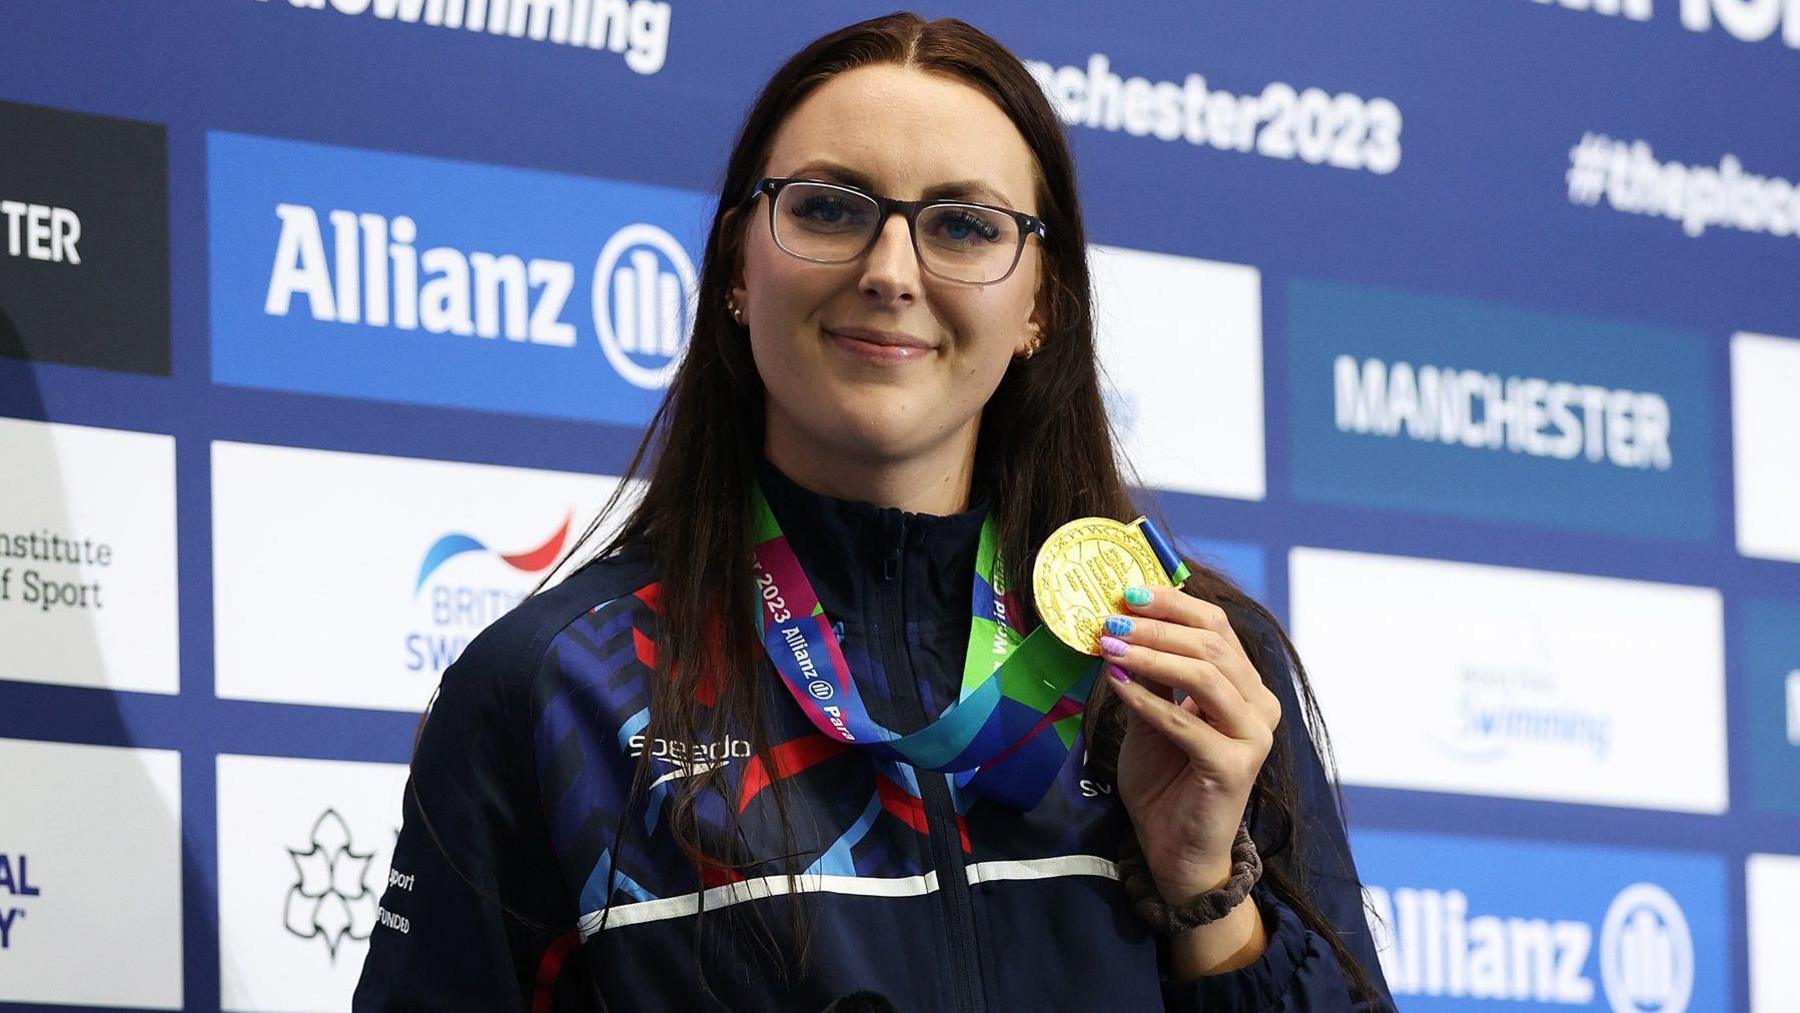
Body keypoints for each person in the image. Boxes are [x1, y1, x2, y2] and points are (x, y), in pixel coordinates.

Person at [354, 12, 1394, 1011]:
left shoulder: (1183, 662)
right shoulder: (556, 688)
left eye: (964, 225)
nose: (890, 272)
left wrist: (1204, 889)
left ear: (1038, 301)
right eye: (829, 208)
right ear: (734, 268)